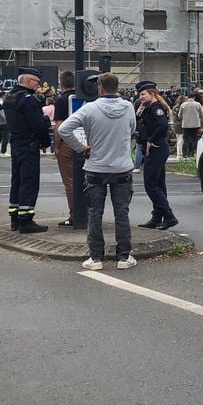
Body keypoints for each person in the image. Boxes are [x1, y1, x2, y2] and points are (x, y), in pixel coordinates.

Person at [58, 73, 138, 271]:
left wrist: (81, 147)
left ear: (100, 88)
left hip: (95, 167)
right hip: (121, 167)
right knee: (122, 213)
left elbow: (64, 129)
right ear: (117, 88)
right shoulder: (128, 107)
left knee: (95, 212)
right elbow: (132, 129)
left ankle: (95, 258)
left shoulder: (90, 108)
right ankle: (123, 257)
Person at [3, 67, 51, 233]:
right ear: (28, 81)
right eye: (37, 82)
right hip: (29, 144)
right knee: (29, 182)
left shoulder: (10, 98)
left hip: (16, 143)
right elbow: (37, 125)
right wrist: (45, 141)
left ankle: (14, 218)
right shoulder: (29, 100)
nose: (39, 85)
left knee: (16, 181)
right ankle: (26, 221)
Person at [135, 81, 177, 230]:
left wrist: (151, 140)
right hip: (156, 148)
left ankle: (169, 216)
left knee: (151, 184)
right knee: (158, 183)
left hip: (156, 148)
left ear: (152, 94)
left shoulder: (156, 108)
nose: (140, 97)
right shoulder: (148, 108)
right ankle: (157, 217)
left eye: (143, 94)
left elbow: (162, 125)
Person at [53, 71, 77, 227]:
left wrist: (56, 146)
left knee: (69, 181)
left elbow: (59, 126)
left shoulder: (62, 100)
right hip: (85, 141)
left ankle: (74, 214)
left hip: (67, 143)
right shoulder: (82, 97)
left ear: (61, 84)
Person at [178, 93, 203, 159]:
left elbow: (179, 115)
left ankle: (185, 155)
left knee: (185, 140)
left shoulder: (183, 105)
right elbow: (202, 115)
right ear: (194, 97)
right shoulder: (198, 104)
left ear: (187, 97)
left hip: (185, 125)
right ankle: (193, 154)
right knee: (195, 139)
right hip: (196, 125)